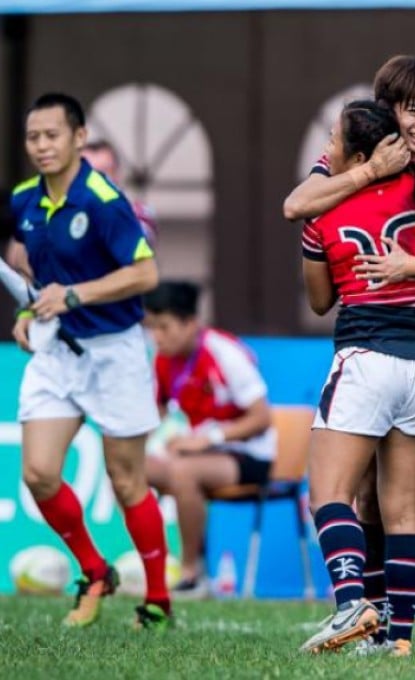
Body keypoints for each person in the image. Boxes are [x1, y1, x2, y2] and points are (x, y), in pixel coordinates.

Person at [284, 55, 415, 657]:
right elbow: (301, 201)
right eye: (413, 110)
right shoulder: (349, 160)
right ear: (386, 111)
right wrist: (366, 173)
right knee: (378, 501)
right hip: (408, 352)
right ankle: (387, 633)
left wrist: (413, 265)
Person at [6, 92, 171, 630]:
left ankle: (159, 602)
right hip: (57, 352)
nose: (42, 146)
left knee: (128, 483)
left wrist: (75, 295)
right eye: (33, 137)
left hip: (115, 353)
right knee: (39, 473)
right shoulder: (25, 200)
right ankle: (95, 570)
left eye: (52, 135)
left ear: (78, 138)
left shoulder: (103, 200)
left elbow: (145, 275)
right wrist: (31, 312)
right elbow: (30, 270)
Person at [142, 280, 276, 597]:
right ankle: (153, 564)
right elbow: (155, 413)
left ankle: (192, 574)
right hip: (199, 455)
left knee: (182, 472)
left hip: (251, 454)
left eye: (164, 327)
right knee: (131, 468)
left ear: (190, 323)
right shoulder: (162, 359)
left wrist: (208, 437)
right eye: (151, 327)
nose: (156, 337)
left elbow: (262, 418)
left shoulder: (224, 352)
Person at [81, 140, 159, 246]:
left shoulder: (138, 213)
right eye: (89, 172)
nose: (97, 179)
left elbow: (138, 241)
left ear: (117, 175)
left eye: (103, 171)